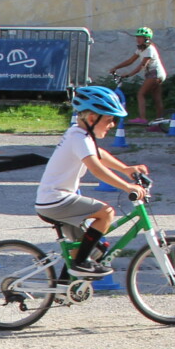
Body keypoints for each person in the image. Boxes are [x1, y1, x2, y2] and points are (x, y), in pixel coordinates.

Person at [35, 86, 150, 278]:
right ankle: (80, 263)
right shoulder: (78, 137)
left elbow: (99, 155)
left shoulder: (80, 134)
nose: (112, 124)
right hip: (56, 200)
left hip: (56, 200)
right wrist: (128, 186)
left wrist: (126, 169)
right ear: (91, 119)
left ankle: (64, 287)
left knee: (93, 249)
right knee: (106, 213)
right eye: (109, 119)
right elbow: (96, 168)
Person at [109, 26, 168, 121]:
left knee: (141, 94)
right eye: (137, 37)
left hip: (155, 73)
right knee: (157, 98)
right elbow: (130, 61)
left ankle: (142, 118)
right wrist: (116, 67)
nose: (138, 39)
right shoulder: (141, 49)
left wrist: (128, 74)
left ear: (147, 38)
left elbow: (142, 65)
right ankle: (159, 122)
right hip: (155, 74)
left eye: (140, 37)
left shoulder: (149, 49)